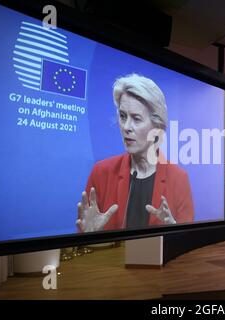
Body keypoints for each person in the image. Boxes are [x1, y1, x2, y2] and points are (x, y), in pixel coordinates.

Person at [76, 74, 194, 232]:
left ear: (156, 125)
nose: (126, 127)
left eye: (136, 119)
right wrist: (89, 235)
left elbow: (187, 243)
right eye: (123, 116)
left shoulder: (178, 178)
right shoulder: (101, 172)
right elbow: (84, 245)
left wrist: (175, 232)